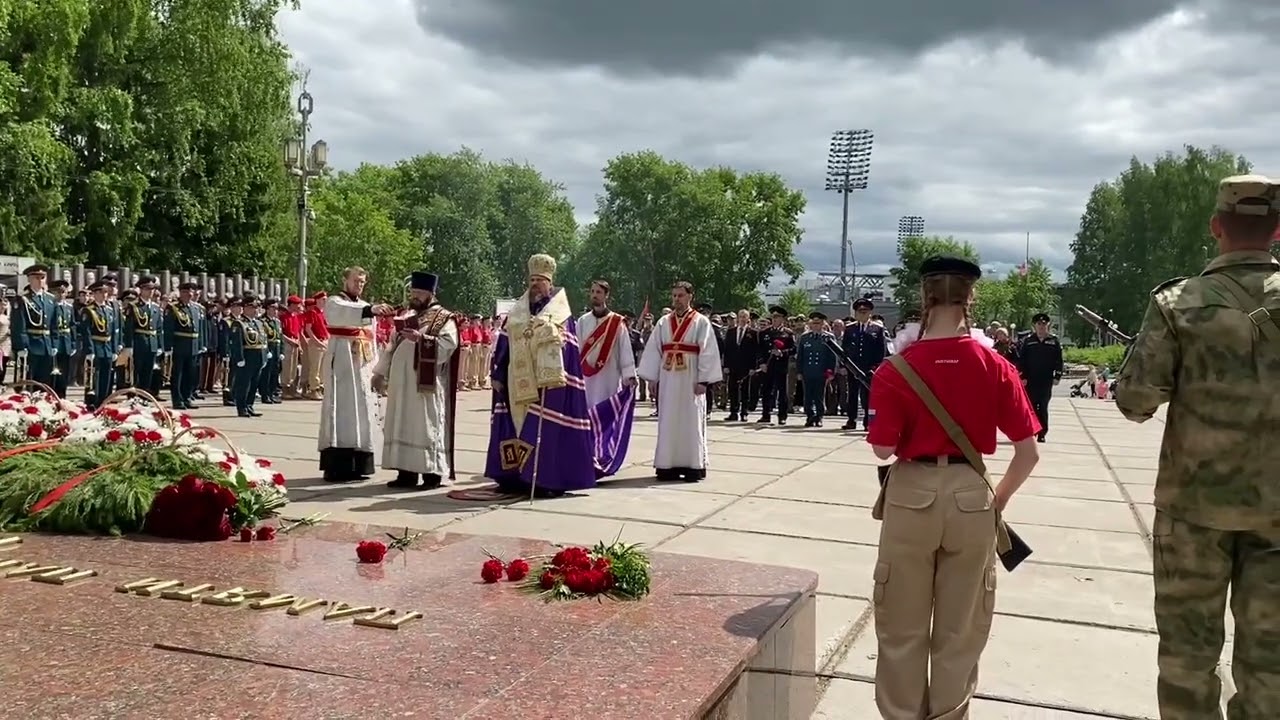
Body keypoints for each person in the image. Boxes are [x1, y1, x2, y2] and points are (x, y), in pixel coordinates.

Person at [1114, 174, 1280, 720]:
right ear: (1277, 230)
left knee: (1188, 659)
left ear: (1216, 227)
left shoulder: (1179, 302)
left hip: (1193, 511)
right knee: (1273, 666)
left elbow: (1135, 402)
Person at [865, 255, 1040, 720]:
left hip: (911, 496)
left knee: (901, 626)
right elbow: (1028, 453)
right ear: (970, 298)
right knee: (961, 631)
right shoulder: (996, 365)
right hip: (971, 496)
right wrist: (994, 502)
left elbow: (882, 449)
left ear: (924, 298)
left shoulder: (895, 369)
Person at [484, 254, 631, 497]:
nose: (535, 284)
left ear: (550, 284)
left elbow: (570, 352)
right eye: (532, 279)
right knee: (516, 428)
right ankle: (516, 476)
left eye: (540, 280)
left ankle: (545, 479)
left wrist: (552, 339)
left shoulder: (560, 315)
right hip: (516, 382)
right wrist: (498, 373)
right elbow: (504, 343)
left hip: (548, 384)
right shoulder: (517, 312)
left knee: (544, 430)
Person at [372, 271, 460, 490]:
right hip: (401, 383)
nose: (416, 296)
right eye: (413, 292)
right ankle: (406, 473)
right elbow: (392, 345)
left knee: (426, 426)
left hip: (425, 385)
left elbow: (449, 345)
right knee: (402, 423)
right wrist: (379, 372)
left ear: (431, 293)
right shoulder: (407, 315)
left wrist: (422, 339)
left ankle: (432, 475)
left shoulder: (443, 318)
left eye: (420, 293)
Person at [637, 281, 722, 481]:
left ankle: (693, 465)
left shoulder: (700, 321)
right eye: (674, 296)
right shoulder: (663, 322)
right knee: (668, 419)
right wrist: (652, 378)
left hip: (691, 376)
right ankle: (667, 465)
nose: (676, 300)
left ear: (690, 296)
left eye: (680, 296)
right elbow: (654, 350)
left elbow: (708, 352)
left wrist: (704, 379)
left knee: (691, 419)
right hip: (668, 377)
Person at [318, 267, 391, 483]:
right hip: (342, 362)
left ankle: (360, 463)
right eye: (356, 280)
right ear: (345, 280)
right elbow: (339, 314)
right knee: (342, 411)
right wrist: (370, 311)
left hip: (362, 364)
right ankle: (338, 466)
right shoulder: (335, 301)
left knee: (363, 411)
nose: (359, 284)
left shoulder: (365, 306)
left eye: (363, 281)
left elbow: (372, 337)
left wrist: (378, 370)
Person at [576, 279, 638, 406]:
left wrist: (629, 375)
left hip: (609, 376)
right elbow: (577, 348)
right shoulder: (583, 321)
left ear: (606, 295)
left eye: (598, 292)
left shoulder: (617, 322)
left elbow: (625, 349)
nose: (594, 295)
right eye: (592, 291)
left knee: (607, 412)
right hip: (587, 378)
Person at [842, 298, 889, 430]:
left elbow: (881, 350)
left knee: (868, 396)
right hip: (853, 366)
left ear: (870, 313)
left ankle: (868, 422)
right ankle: (851, 419)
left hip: (869, 368)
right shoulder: (850, 328)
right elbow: (845, 348)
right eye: (860, 311)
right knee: (852, 394)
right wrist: (846, 365)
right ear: (856, 313)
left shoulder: (877, 329)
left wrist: (875, 367)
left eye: (865, 311)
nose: (862, 314)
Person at [1015, 312, 1063, 442]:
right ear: (1034, 326)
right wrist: (1022, 376)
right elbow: (1021, 360)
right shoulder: (1029, 341)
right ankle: (1032, 430)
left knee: (1043, 406)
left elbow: (1059, 360)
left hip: (1046, 380)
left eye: (1044, 324)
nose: (1041, 327)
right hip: (1031, 379)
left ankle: (1042, 433)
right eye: (1039, 324)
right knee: (1031, 405)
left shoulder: (1053, 341)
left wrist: (1057, 375)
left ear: (1048, 326)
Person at [9, 264, 56, 387]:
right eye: (36, 277)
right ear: (29, 279)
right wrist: (21, 346)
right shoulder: (23, 299)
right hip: (31, 345)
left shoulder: (51, 299)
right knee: (27, 382)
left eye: (42, 277)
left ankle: (43, 406)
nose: (40, 280)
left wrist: (54, 344)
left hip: (47, 346)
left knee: (44, 384)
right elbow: (19, 326)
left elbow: (53, 325)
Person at [162, 282, 203, 410]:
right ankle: (177, 400)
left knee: (190, 374)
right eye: (186, 292)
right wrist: (168, 347)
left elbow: (198, 329)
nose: (189, 294)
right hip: (180, 344)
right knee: (178, 374)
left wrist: (201, 345)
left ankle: (186, 397)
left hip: (193, 345)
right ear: (181, 293)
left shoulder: (196, 308)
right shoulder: (173, 308)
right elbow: (168, 328)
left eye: (191, 292)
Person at [228, 295, 268, 418]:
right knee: (244, 384)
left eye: (257, 307)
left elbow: (263, 340)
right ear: (245, 308)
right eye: (252, 307)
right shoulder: (239, 323)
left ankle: (249, 405)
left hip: (258, 357)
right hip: (247, 357)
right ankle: (242, 407)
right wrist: (239, 358)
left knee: (254, 384)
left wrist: (265, 356)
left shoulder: (259, 323)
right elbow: (237, 343)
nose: (255, 310)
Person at [81, 282, 119, 406]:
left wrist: (114, 349)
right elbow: (86, 332)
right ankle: (92, 401)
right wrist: (90, 350)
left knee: (106, 376)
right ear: (95, 294)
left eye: (105, 293)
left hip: (107, 346)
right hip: (96, 345)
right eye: (101, 293)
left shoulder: (109, 310)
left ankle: (103, 400)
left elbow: (113, 331)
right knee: (93, 376)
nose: (104, 295)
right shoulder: (89, 310)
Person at [755, 305, 795, 425]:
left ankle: (782, 415)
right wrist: (761, 363)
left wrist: (782, 353)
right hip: (768, 366)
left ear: (782, 319)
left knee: (782, 391)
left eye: (777, 317)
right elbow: (760, 349)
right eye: (773, 317)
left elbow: (793, 349)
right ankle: (765, 414)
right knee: (766, 391)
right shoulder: (764, 332)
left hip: (781, 366)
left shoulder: (787, 333)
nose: (775, 319)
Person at [797, 311, 837, 427]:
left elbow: (832, 356)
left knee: (819, 395)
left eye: (818, 323)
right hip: (808, 370)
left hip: (821, 371)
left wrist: (831, 371)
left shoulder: (828, 337)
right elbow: (800, 356)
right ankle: (809, 416)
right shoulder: (805, 337)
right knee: (808, 395)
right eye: (813, 323)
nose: (815, 325)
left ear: (823, 324)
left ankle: (819, 416)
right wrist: (799, 371)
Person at [124, 276, 162, 396]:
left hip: (152, 344)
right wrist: (129, 346)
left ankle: (144, 397)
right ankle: (133, 398)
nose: (151, 292)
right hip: (139, 343)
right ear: (141, 289)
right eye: (147, 289)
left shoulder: (156, 307)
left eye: (152, 289)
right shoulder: (134, 306)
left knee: (148, 373)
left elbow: (159, 329)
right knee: (136, 372)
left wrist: (160, 345)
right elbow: (129, 328)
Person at [721, 308, 759, 422]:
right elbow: (726, 350)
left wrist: (753, 367)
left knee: (745, 390)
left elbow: (755, 352)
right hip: (733, 366)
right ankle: (733, 412)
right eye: (740, 316)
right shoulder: (731, 332)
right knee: (732, 389)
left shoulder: (753, 333)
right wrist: (726, 365)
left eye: (744, 317)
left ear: (748, 319)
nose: (742, 319)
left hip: (746, 366)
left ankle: (744, 412)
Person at [49, 279, 75, 398]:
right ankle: (53, 395)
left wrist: (73, 342)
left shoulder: (69, 307)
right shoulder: (51, 306)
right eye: (58, 292)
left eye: (63, 292)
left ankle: (62, 395)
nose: (61, 295)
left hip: (66, 342)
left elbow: (72, 325)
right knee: (54, 372)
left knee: (65, 372)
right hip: (55, 341)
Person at [259, 299, 283, 404]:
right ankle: (265, 394)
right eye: (273, 308)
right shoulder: (262, 321)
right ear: (267, 308)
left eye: (276, 308)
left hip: (276, 348)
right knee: (266, 373)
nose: (275, 311)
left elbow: (280, 337)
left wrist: (281, 351)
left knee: (275, 372)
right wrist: (266, 350)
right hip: (268, 348)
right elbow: (263, 337)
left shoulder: (277, 322)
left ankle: (272, 393)